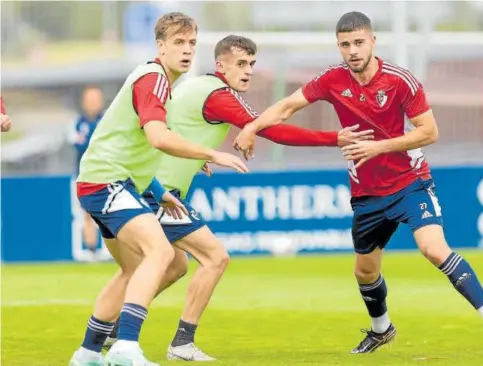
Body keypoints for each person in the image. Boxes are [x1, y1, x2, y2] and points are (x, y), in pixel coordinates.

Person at [233, 11, 483, 354]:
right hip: (367, 193)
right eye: (344, 44)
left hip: (410, 183)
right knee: (365, 272)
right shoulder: (332, 79)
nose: (352, 50)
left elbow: (430, 132)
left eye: (358, 42)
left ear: (372, 42)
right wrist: (251, 127)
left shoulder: (400, 81)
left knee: (433, 248)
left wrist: (378, 146)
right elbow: (288, 106)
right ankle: (382, 330)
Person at [98, 34, 374, 362]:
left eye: (252, 65)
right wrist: (335, 138)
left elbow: (173, 126)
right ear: (220, 65)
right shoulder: (218, 94)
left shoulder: (195, 86)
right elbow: (272, 129)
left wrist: (196, 158)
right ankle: (180, 343)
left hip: (144, 185)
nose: (248, 71)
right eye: (241, 64)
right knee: (215, 258)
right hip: (158, 194)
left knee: (173, 266)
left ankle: (112, 330)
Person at [69, 12, 248, 366]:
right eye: (178, 43)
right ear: (160, 47)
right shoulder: (155, 79)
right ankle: (125, 348)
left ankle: (87, 353)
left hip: (104, 181)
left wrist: (157, 188)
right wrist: (212, 152)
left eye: (192, 43)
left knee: (132, 270)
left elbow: (135, 149)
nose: (186, 50)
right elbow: (158, 138)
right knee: (162, 254)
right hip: (108, 182)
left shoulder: (154, 80)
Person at [70, 86, 105, 254]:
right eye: (90, 100)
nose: (93, 104)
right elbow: (79, 144)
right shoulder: (79, 124)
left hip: (106, 174)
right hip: (84, 176)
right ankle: (91, 249)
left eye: (96, 100)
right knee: (87, 214)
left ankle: (111, 250)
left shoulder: (107, 121)